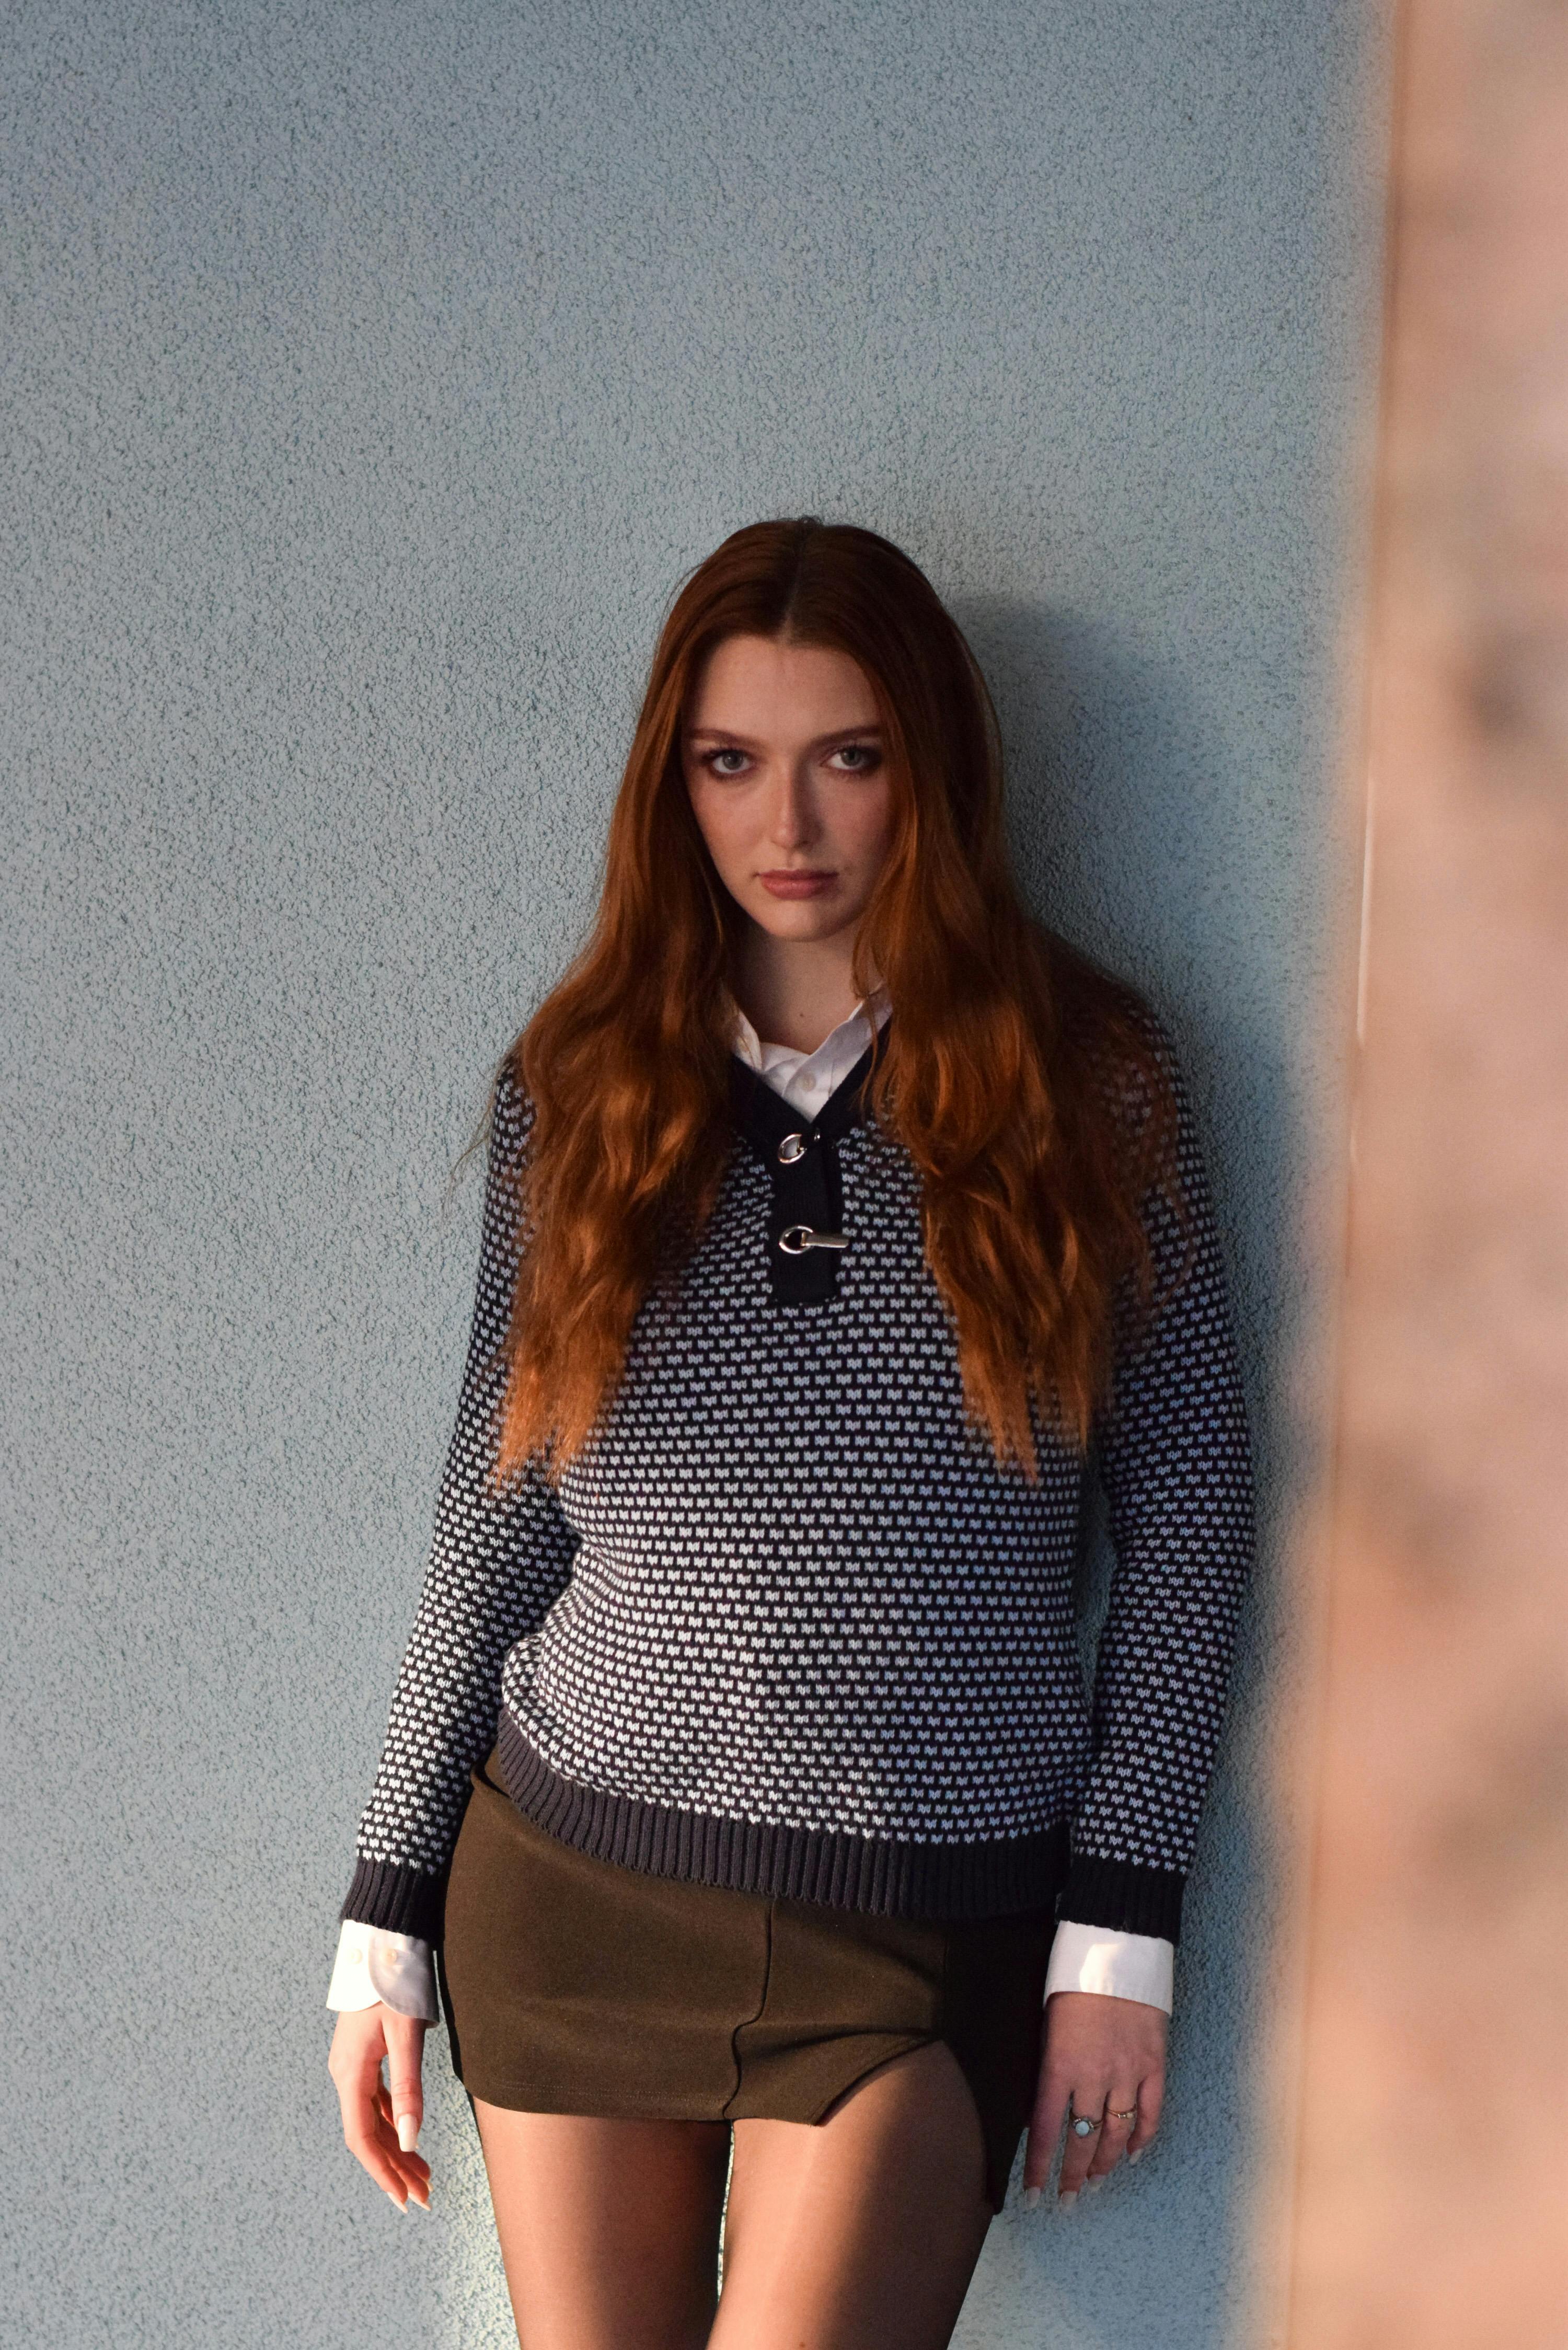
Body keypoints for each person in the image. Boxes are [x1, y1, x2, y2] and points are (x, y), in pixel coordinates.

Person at [325, 518, 1255, 2350]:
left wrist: (1120, 1934)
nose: (790, 826)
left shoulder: (1094, 1081)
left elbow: (1196, 1507)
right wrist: (385, 1914)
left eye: (850, 757)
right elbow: (498, 1523)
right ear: (673, 784)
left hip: (925, 1931)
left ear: (932, 773)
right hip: (579, 1885)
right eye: (731, 763)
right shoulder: (580, 1087)